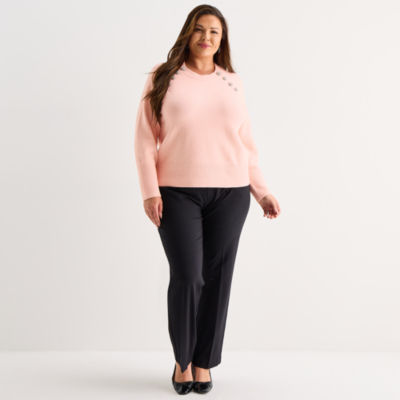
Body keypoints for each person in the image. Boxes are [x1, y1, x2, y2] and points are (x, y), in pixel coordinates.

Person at [134, 4, 281, 395]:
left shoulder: (232, 81)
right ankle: (182, 360)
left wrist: (261, 190)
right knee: (188, 276)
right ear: (188, 33)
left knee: (218, 279)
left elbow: (245, 142)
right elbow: (145, 139)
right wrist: (150, 191)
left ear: (222, 40)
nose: (206, 37)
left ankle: (203, 363)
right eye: (200, 29)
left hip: (231, 193)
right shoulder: (163, 76)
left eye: (215, 32)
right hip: (176, 193)